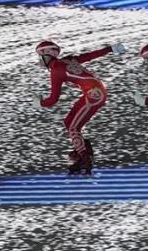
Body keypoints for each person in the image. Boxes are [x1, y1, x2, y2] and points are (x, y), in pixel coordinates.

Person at [37, 40, 124, 175]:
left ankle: (84, 157)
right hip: (95, 92)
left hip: (93, 94)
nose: (40, 60)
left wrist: (40, 103)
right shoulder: (67, 60)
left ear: (47, 55)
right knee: (69, 122)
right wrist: (110, 49)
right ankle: (82, 151)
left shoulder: (56, 70)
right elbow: (89, 56)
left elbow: (53, 99)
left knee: (73, 127)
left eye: (40, 56)